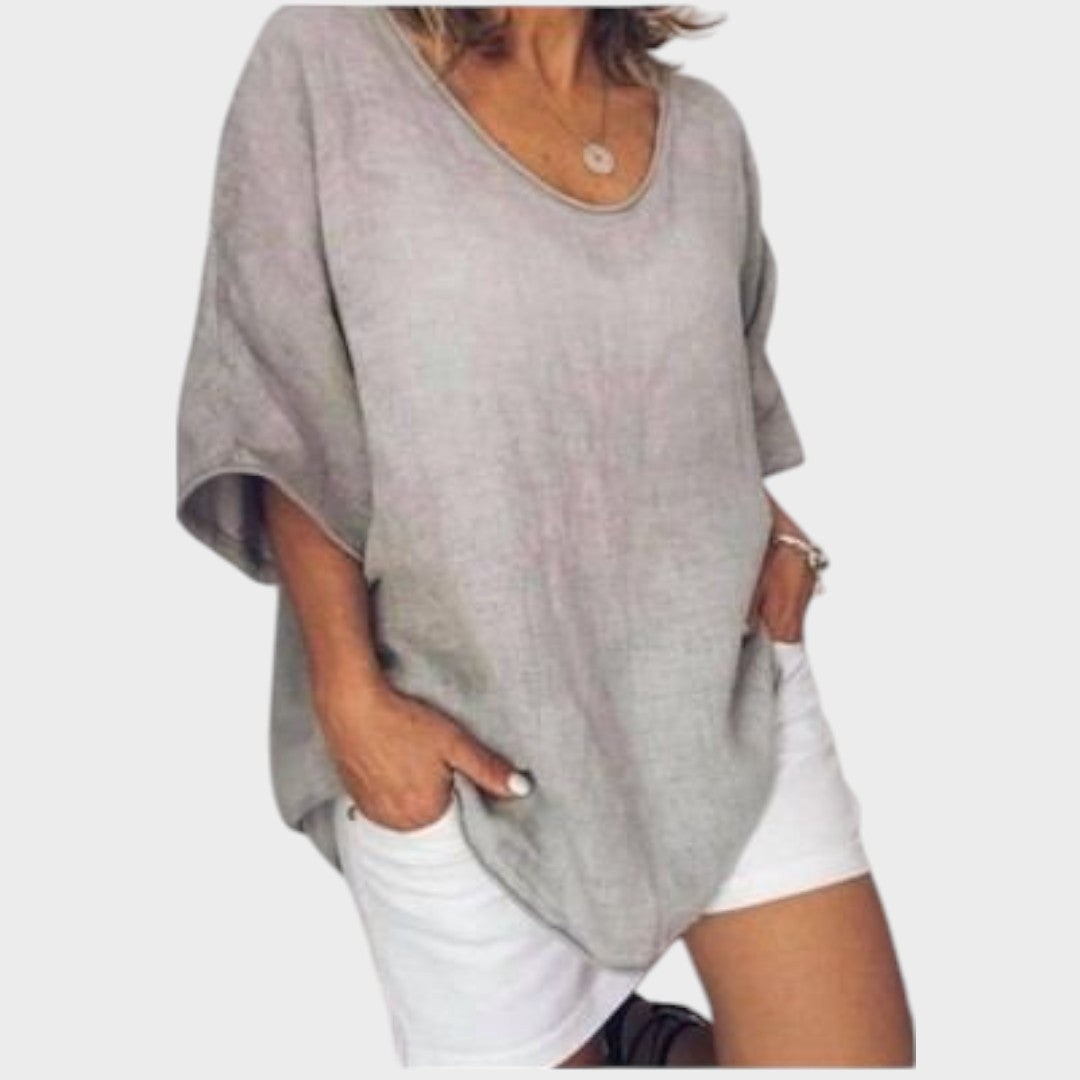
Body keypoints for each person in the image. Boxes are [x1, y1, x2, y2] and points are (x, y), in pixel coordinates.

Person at [175, 5, 915, 1067]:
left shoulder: (706, 134)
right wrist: (350, 695)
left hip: (718, 703)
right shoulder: (328, 59)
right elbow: (283, 396)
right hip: (457, 725)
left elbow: (716, 396)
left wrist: (786, 548)